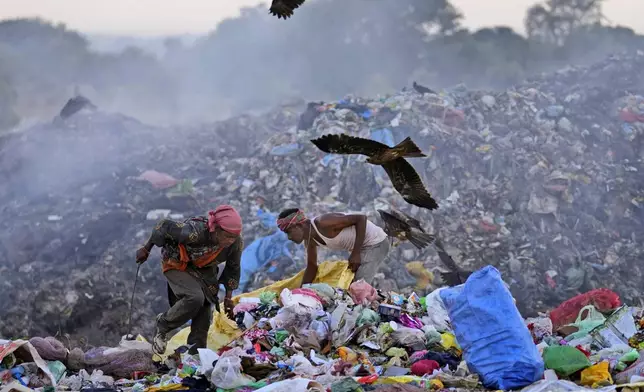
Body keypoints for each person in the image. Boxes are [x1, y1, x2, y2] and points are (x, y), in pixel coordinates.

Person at [135, 205, 244, 355]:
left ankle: (195, 356)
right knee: (194, 297)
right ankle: (164, 325)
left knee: (205, 310)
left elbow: (233, 267)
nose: (230, 241)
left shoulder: (235, 243)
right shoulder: (194, 232)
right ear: (216, 229)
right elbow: (163, 226)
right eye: (227, 236)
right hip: (177, 263)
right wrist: (146, 249)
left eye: (233, 237)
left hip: (205, 270)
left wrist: (228, 297)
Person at [277, 208, 390, 285]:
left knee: (358, 288)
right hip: (362, 247)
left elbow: (361, 219)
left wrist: (355, 253)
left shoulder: (323, 223)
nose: (289, 237)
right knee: (348, 286)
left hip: (376, 242)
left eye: (288, 232)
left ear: (299, 225)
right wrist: (301, 291)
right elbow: (312, 266)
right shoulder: (310, 241)